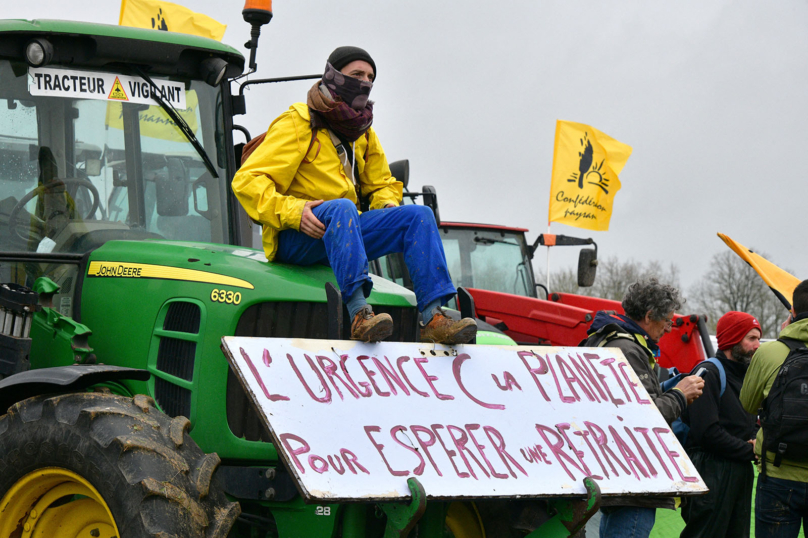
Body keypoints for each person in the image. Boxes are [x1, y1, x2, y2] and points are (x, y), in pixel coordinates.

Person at [232, 46, 475, 344]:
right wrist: (295, 213)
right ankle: (360, 313)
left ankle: (434, 317)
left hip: (341, 231)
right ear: (333, 76)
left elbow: (382, 182)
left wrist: (387, 205)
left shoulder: (363, 132)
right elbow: (247, 180)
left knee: (418, 216)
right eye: (356, 74)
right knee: (342, 208)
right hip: (298, 235)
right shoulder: (298, 123)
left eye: (370, 77)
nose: (365, 82)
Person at [581, 278, 704, 538]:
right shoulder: (629, 349)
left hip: (610, 469)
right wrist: (680, 394)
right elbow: (644, 418)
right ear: (649, 316)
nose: (670, 329)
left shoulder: (604, 340)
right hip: (633, 476)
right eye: (668, 321)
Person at [679, 311, 761, 538]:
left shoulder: (746, 375)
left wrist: (756, 438)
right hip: (711, 470)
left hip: (740, 470)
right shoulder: (709, 373)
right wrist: (750, 449)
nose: (757, 346)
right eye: (751, 338)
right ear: (732, 339)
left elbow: (747, 422)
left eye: (758, 339)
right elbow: (706, 432)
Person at [740, 279, 808, 538]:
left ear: (792, 313)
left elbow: (747, 404)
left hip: (778, 474)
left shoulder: (770, 353)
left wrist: (784, 338)